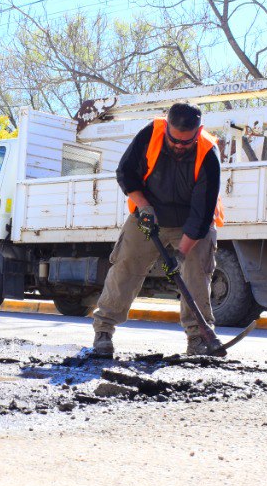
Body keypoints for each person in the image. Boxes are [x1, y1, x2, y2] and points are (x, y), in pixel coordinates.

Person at [90, 102, 224, 358]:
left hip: (191, 223)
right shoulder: (150, 134)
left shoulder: (208, 152)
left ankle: (198, 338)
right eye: (174, 140)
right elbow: (126, 173)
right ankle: (103, 332)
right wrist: (144, 207)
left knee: (196, 274)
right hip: (148, 213)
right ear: (167, 128)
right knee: (125, 267)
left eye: (186, 142)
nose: (179, 146)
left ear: (199, 131)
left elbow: (202, 213)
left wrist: (181, 254)